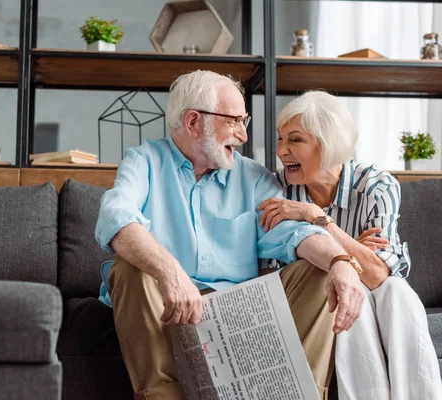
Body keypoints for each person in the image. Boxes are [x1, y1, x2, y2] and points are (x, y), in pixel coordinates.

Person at [95, 70, 365, 400]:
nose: (242, 135)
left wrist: (340, 261)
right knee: (127, 267)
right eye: (234, 121)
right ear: (194, 122)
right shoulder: (144, 161)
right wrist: (170, 272)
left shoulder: (253, 177)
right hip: (163, 308)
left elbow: (293, 233)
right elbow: (115, 216)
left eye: (244, 121)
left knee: (318, 267)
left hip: (237, 317)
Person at [258, 90, 442, 400]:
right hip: (316, 304)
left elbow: (381, 277)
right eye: (279, 139)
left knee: (394, 291)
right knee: (347, 292)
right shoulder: (276, 189)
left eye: (295, 140)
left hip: (380, 298)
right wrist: (351, 254)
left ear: (327, 144)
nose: (281, 150)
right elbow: (288, 275)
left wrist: (319, 220)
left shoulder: (376, 186)